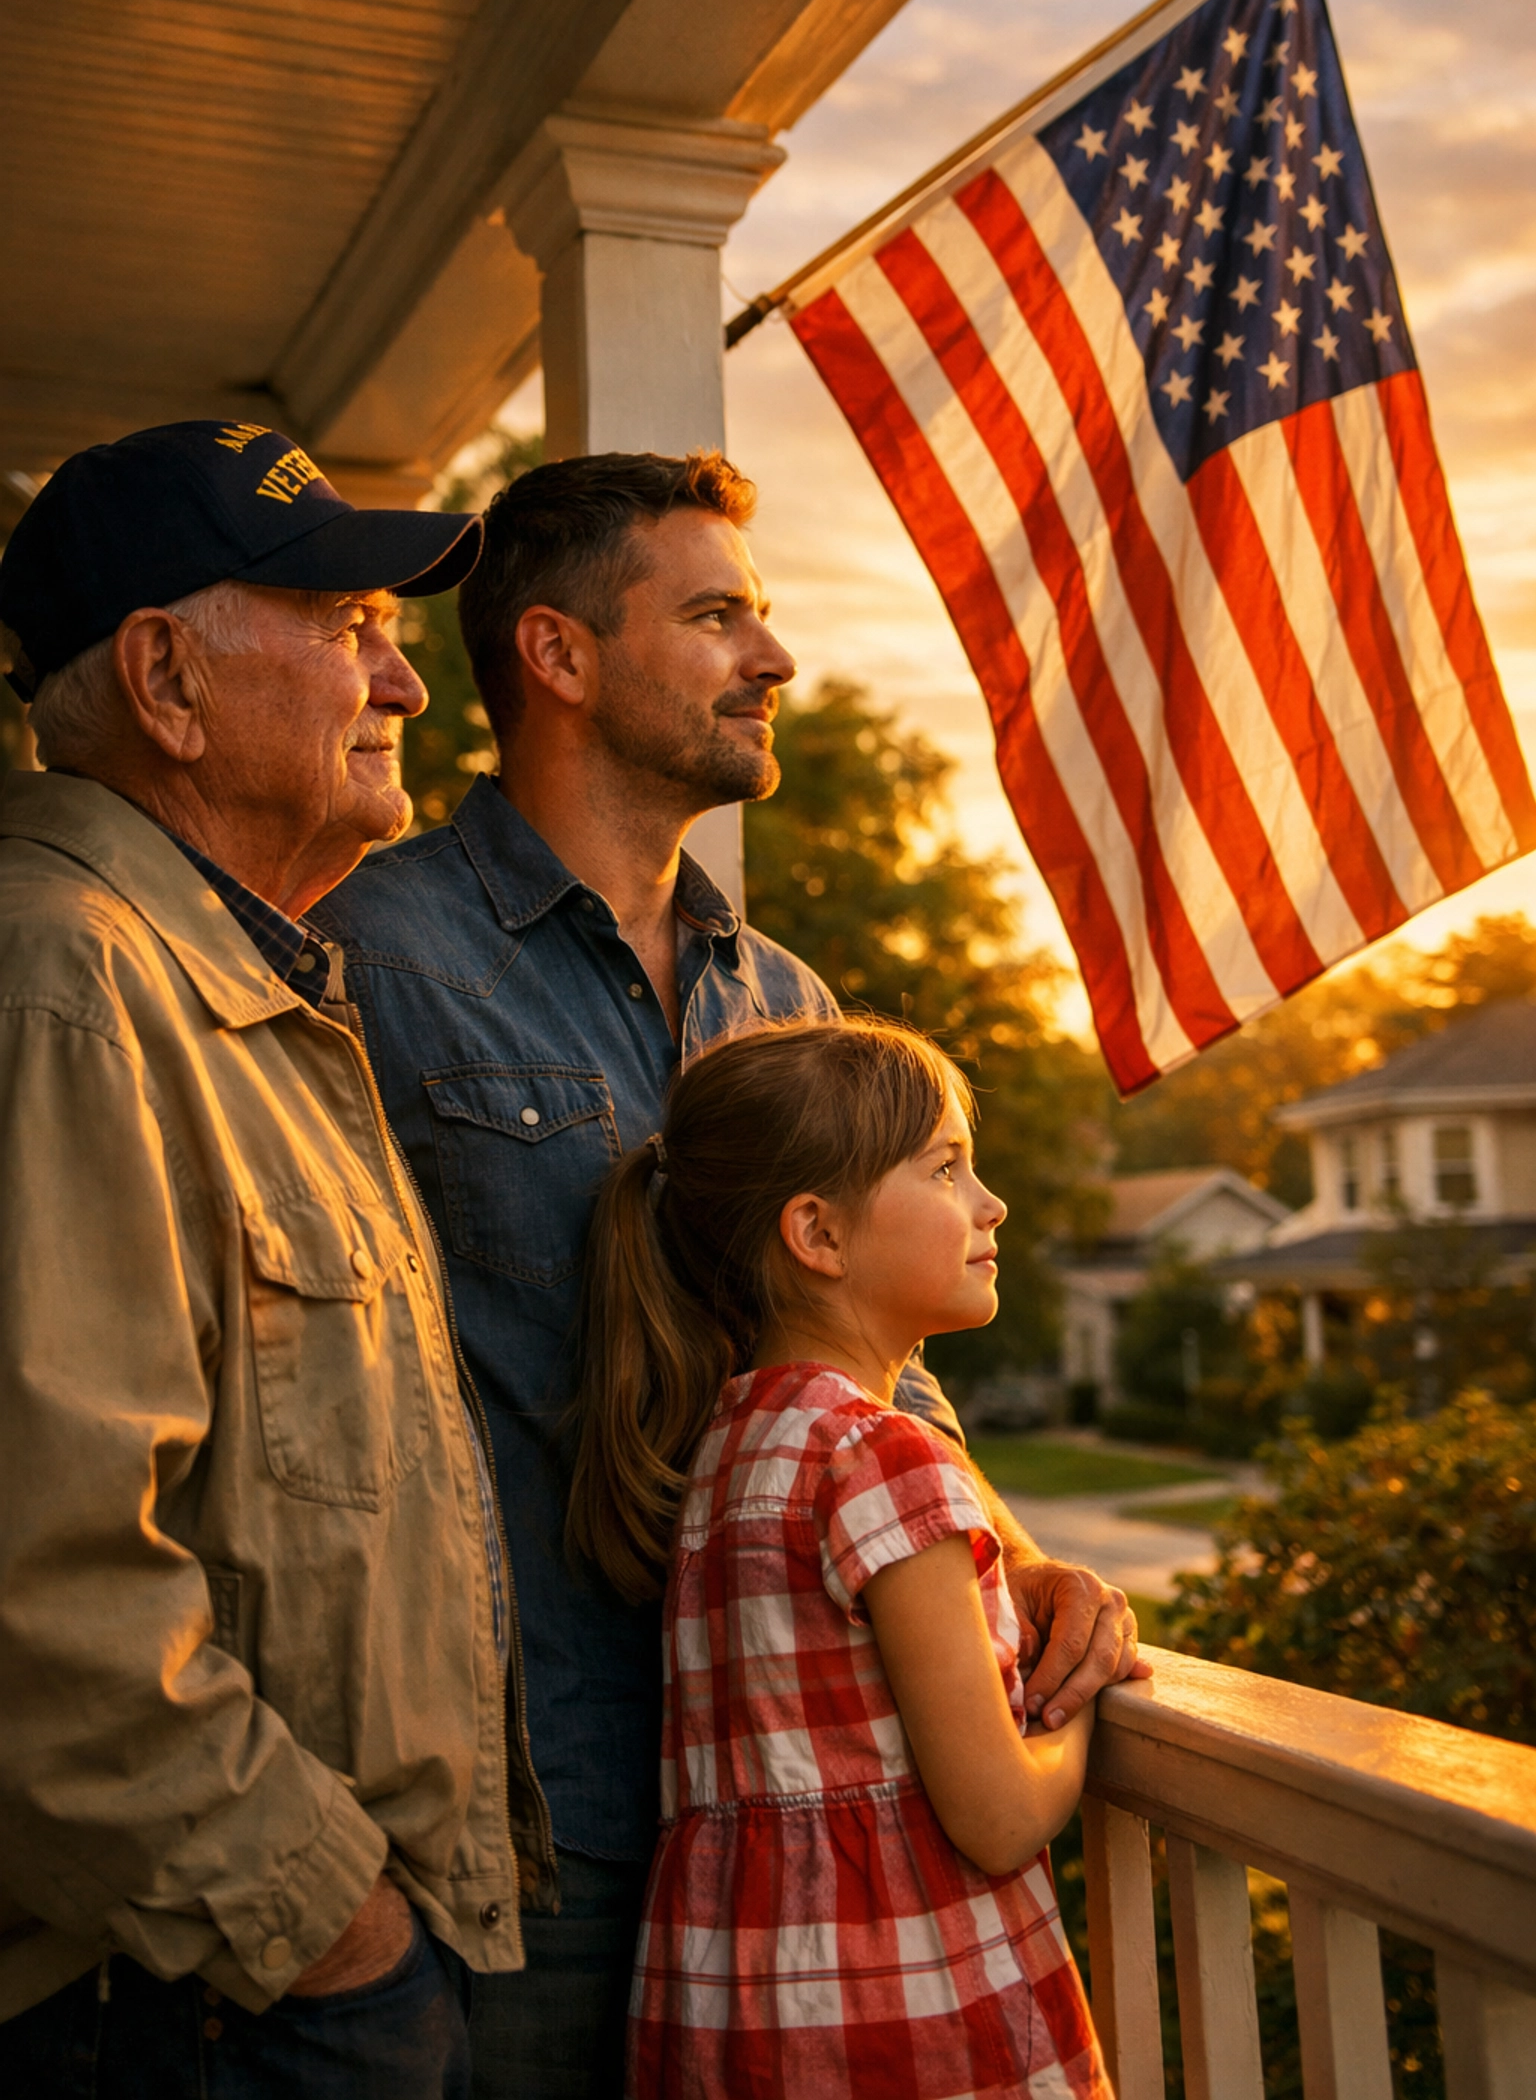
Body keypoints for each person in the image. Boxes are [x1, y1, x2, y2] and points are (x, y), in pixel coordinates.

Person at [314, 449, 1144, 2098]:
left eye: (759, 616)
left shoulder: (783, 997)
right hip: (521, 1835)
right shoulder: (362, 958)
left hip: (821, 1816)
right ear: (555, 654)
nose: (774, 659)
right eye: (715, 617)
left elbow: (875, 1367)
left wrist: (1025, 1559)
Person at [0, 421, 522, 2097]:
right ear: (165, 676)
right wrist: (335, 1927)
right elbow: (47, 1587)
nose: (409, 688)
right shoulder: (65, 982)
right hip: (195, 1992)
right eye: (350, 626)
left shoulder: (219, 984)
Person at [570, 1014, 1115, 2098]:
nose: (990, 1203)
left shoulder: (730, 1441)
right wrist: (1081, 1701)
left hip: (735, 1998)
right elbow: (1000, 1815)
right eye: (948, 1170)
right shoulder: (882, 1455)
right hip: (897, 2015)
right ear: (817, 1236)